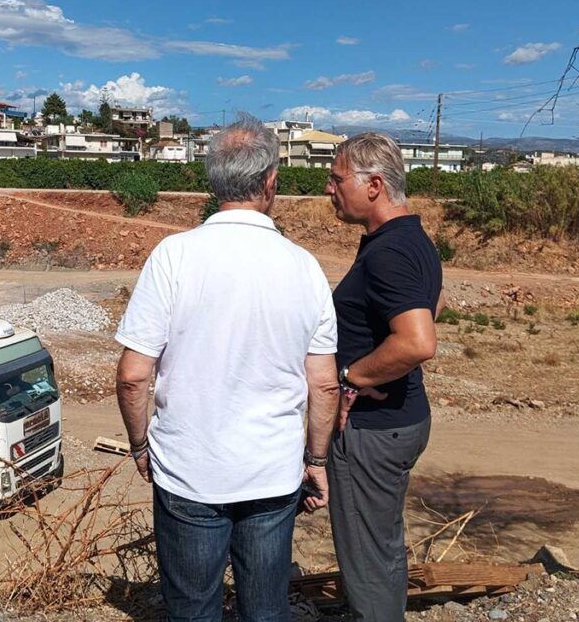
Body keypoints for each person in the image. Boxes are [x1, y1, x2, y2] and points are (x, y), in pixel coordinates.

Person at [115, 115, 339, 622]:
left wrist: (138, 444)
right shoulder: (304, 267)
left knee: (193, 609)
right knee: (265, 608)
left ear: (213, 182)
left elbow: (132, 375)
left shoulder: (173, 256)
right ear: (270, 182)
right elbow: (324, 384)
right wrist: (317, 462)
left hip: (189, 471)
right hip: (271, 474)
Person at [324, 133, 442, 622]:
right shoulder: (411, 240)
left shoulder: (389, 252)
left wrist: (350, 376)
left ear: (373, 185)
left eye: (335, 180)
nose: (328, 190)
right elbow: (430, 307)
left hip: (372, 430)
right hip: (400, 419)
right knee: (381, 547)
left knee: (368, 561)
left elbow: (417, 341)